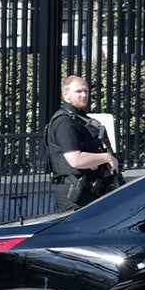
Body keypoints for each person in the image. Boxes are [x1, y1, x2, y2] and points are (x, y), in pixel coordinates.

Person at [46, 75, 122, 212]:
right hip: (75, 196)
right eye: (78, 91)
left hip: (91, 192)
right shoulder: (65, 122)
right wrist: (107, 158)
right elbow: (76, 160)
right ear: (66, 94)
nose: (84, 95)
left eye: (86, 91)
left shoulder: (82, 120)